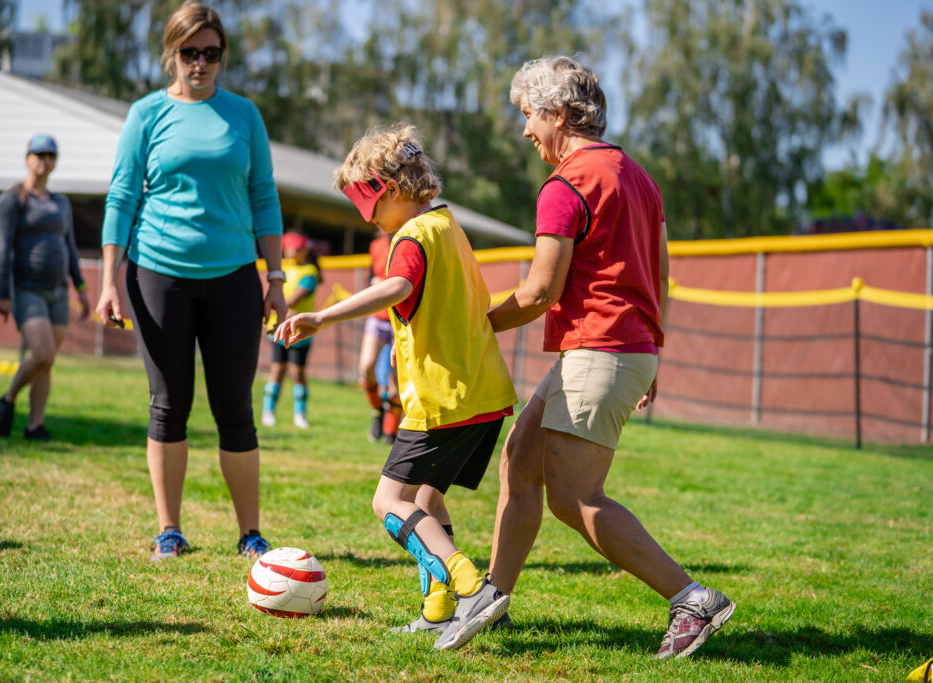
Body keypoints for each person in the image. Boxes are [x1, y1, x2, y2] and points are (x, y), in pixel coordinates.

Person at [487, 56, 735, 660]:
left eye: (528, 116)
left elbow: (540, 290)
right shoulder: (638, 176)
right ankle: (491, 598)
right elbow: (663, 272)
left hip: (603, 347)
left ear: (562, 114)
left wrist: (473, 327)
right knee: (520, 459)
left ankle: (693, 597)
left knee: (574, 496)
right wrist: (653, 346)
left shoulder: (566, 183)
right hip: (619, 347)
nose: (525, 131)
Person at [275, 125, 516, 651]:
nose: (365, 217)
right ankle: (437, 610)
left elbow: (399, 286)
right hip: (483, 395)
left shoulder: (409, 238)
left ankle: (472, 588)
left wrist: (323, 316)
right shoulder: (448, 225)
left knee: (389, 501)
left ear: (385, 187)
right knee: (427, 500)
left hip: (443, 399)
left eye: (365, 203)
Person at [95, 2, 286, 563]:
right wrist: (108, 280)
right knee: (168, 404)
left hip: (233, 279)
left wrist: (274, 277)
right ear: (170, 54)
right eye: (189, 52)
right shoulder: (146, 115)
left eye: (210, 53)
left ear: (222, 57)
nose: (199, 63)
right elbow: (122, 197)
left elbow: (263, 197)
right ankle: (169, 531)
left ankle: (251, 533)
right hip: (157, 276)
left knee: (235, 407)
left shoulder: (244, 115)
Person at [0, 136, 90, 441]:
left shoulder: (61, 203)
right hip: (27, 290)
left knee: (47, 363)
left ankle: (35, 426)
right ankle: (6, 400)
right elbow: (4, 249)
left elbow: (70, 247)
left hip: (58, 291)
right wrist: (3, 294)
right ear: (27, 158)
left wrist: (81, 288)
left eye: (50, 155)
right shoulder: (13, 199)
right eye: (38, 154)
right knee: (43, 353)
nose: (44, 160)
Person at [262, 231, 321, 429]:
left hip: (299, 332)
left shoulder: (310, 272)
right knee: (277, 370)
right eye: (287, 248)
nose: (289, 252)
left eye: (295, 248)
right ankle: (268, 411)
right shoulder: (283, 269)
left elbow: (298, 297)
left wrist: (278, 305)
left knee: (298, 372)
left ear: (305, 250)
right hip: (278, 328)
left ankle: (300, 415)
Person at [357, 229, 400, 442]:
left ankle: (391, 430)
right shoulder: (377, 246)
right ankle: (377, 412)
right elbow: (370, 279)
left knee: (396, 380)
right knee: (366, 367)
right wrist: (374, 285)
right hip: (378, 316)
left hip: (401, 318)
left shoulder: (409, 241)